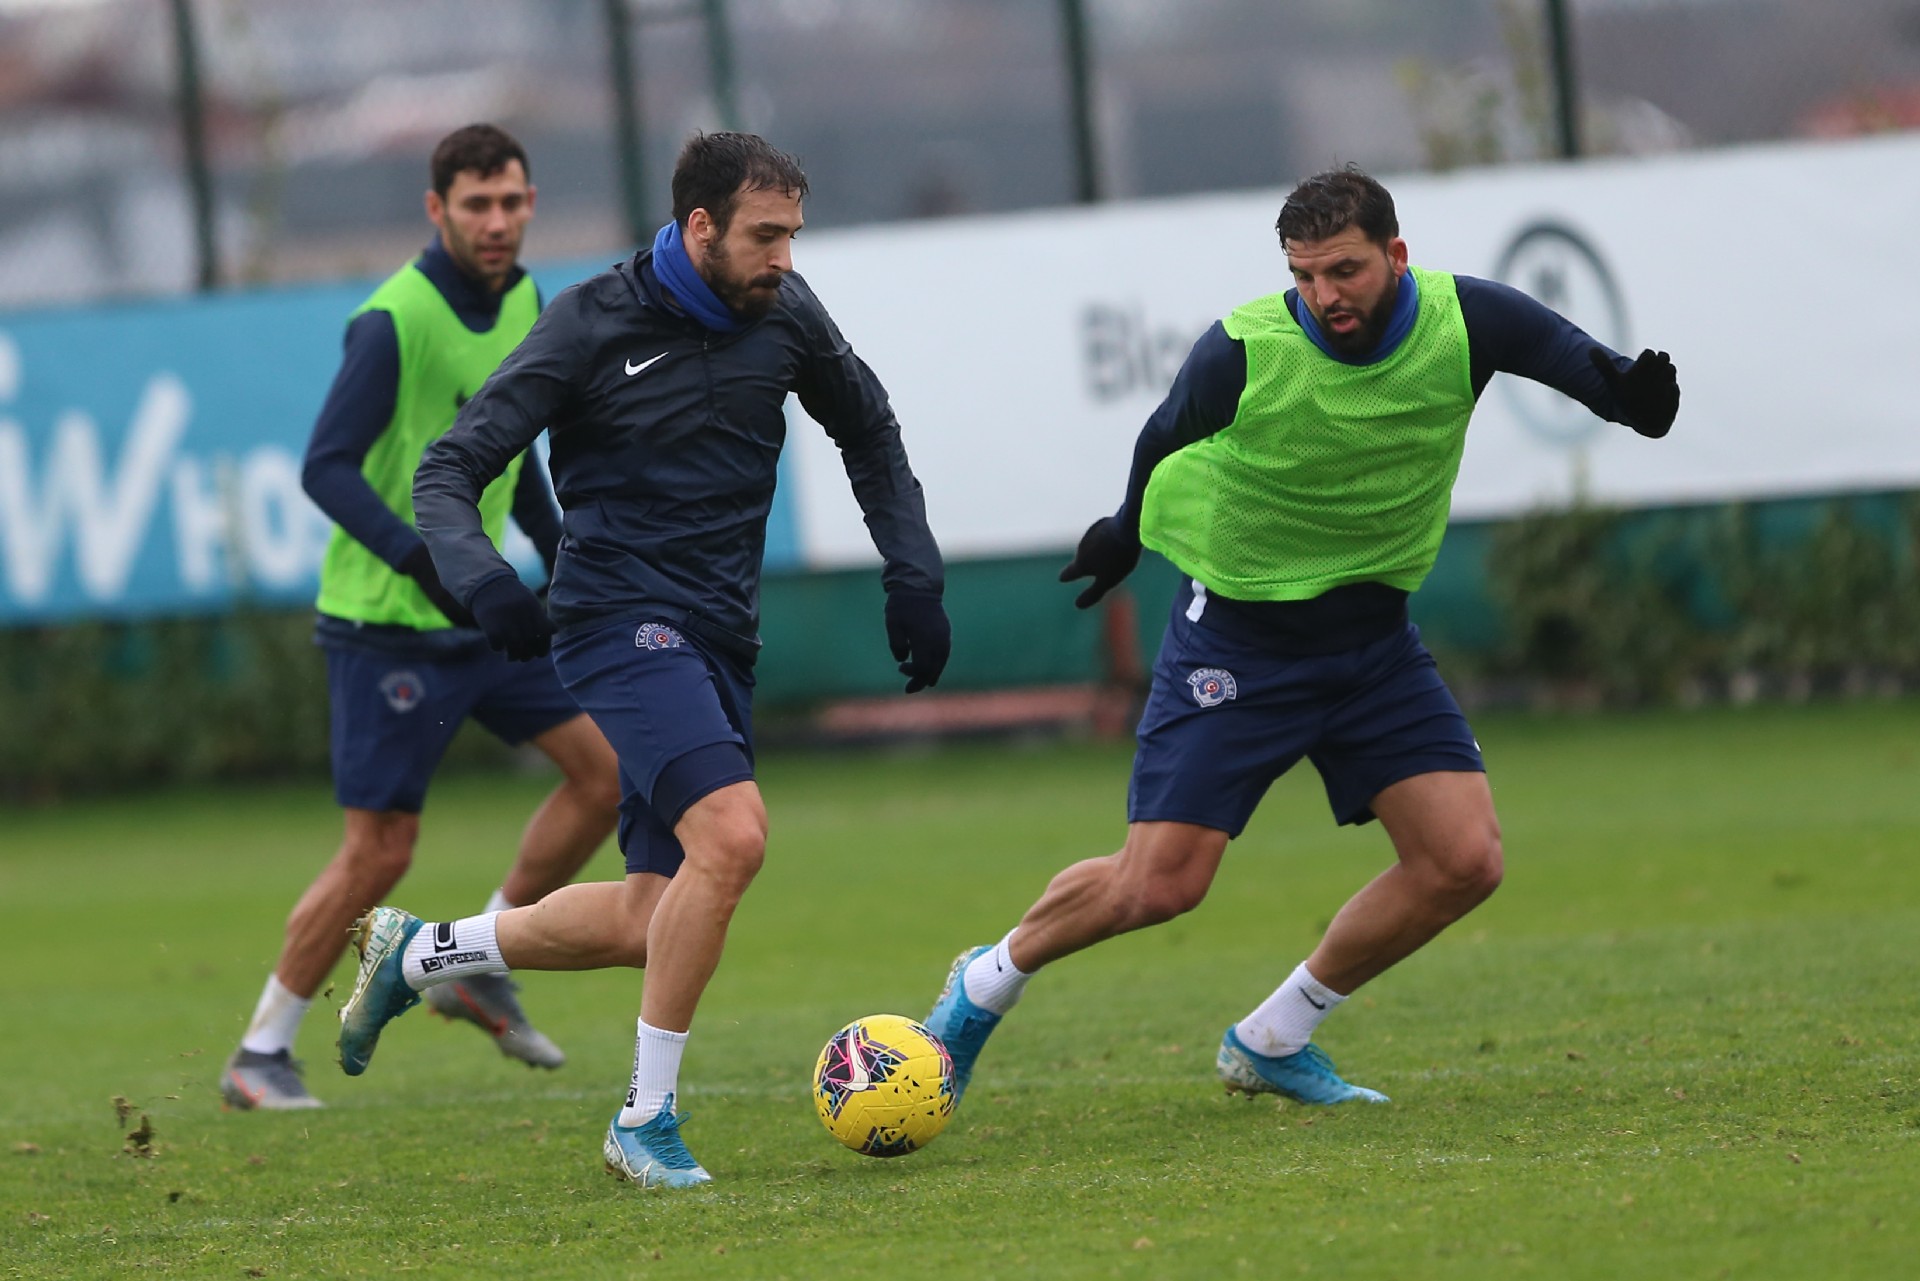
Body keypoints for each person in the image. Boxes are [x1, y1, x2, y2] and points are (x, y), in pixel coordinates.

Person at [923, 166, 1681, 1112]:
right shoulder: (1244, 350)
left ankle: (1274, 1037)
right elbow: (1162, 434)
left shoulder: (1469, 319)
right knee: (1160, 885)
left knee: (1463, 860)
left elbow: (1580, 362)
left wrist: (1629, 400)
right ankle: (985, 982)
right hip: (1240, 642)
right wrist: (1123, 531)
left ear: (1397, 255)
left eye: (1345, 270)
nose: (1325, 295)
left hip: (1373, 645)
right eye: (1305, 275)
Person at [333, 131, 950, 1188]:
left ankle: (420, 953)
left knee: (646, 916)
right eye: (765, 236)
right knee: (735, 835)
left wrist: (914, 573)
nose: (785, 259)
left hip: (721, 633)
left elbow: (872, 432)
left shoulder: (788, 313)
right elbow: (450, 468)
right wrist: (483, 579)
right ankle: (644, 1120)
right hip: (618, 619)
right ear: (699, 226)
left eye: (793, 236)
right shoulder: (589, 322)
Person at [221, 124, 621, 1111]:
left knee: (606, 774)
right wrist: (424, 561)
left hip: (481, 610)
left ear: (531, 205)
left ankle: (474, 960)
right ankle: (261, 1051)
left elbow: (515, 452)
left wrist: (561, 552)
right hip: (387, 625)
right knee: (382, 851)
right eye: (476, 205)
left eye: (511, 202)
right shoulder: (392, 321)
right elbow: (325, 467)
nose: (497, 222)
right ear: (437, 209)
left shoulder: (526, 300)